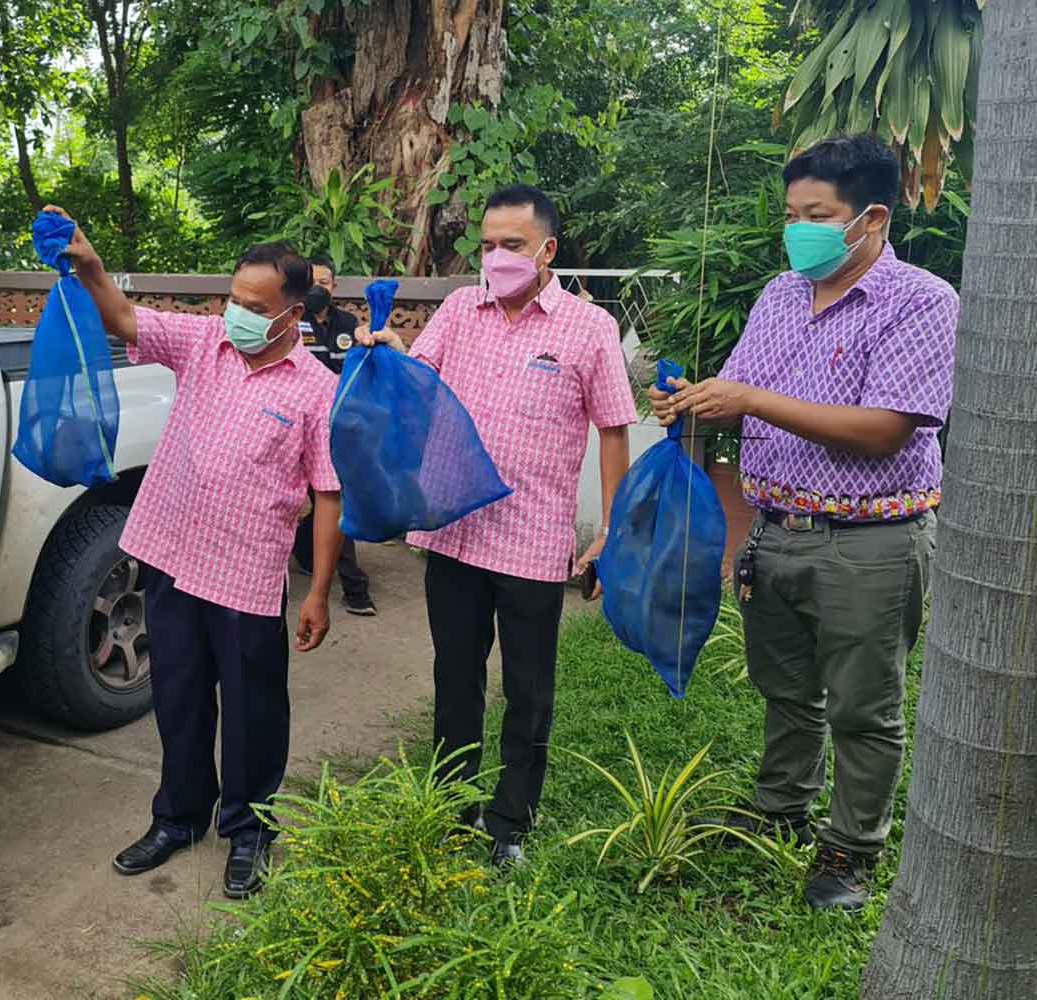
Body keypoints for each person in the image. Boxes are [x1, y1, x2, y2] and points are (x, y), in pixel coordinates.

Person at [650, 134, 957, 912]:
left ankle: (851, 849)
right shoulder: (783, 293)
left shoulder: (921, 302)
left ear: (872, 218)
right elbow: (744, 385)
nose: (799, 231)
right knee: (786, 689)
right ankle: (781, 808)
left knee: (863, 706)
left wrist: (748, 401)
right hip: (777, 530)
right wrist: (697, 398)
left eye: (817, 215)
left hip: (870, 540)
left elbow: (888, 428)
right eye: (792, 214)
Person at [40, 206, 343, 899]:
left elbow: (328, 496)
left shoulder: (317, 391)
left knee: (252, 715)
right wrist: (87, 260)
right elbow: (125, 321)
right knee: (177, 702)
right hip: (173, 557)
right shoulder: (204, 342)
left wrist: (319, 591)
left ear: (292, 315)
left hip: (246, 576)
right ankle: (177, 818)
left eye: (253, 307)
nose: (235, 314)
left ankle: (249, 830)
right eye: (232, 299)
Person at [359, 185, 636, 867]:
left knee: (527, 688)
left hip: (533, 542)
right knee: (456, 677)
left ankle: (510, 819)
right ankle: (452, 802)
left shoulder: (587, 328)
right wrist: (389, 350)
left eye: (512, 245)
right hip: (452, 532)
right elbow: (417, 385)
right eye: (486, 245)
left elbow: (613, 430)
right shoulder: (459, 310)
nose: (496, 257)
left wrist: (612, 530)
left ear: (547, 249)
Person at [293, 255, 376, 616]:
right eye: (311, 282)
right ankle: (307, 554)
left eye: (323, 283)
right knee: (301, 501)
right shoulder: (293, 322)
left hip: (340, 428)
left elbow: (360, 373)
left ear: (334, 288)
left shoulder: (348, 324)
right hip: (298, 426)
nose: (317, 289)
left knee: (337, 502)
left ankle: (354, 587)